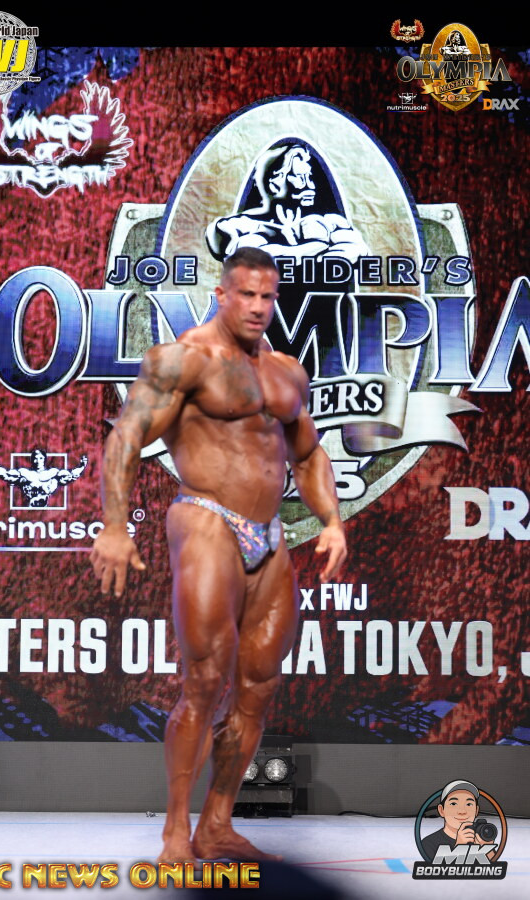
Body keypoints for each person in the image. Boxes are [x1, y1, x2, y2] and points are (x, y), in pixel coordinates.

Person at [91, 247, 347, 863]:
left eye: (268, 297)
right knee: (205, 682)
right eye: (247, 295)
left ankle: (216, 824)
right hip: (207, 518)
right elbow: (127, 434)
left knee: (258, 687)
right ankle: (175, 832)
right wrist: (115, 526)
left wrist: (332, 520)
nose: (258, 307)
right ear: (222, 294)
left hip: (269, 533)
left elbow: (308, 454)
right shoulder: (185, 359)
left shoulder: (286, 372)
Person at [206, 143, 368, 265]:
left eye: (309, 178)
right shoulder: (236, 227)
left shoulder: (329, 224)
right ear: (274, 184)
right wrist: (318, 247)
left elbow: (360, 254)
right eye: (300, 178)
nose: (310, 186)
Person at [421, 781, 496, 861]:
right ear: (441, 810)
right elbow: (435, 868)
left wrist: (488, 849)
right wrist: (459, 847)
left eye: (469, 804)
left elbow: (497, 866)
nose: (462, 811)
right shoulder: (428, 843)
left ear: (476, 811)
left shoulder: (481, 837)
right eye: (453, 804)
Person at [0, 447, 87, 508]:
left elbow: (71, 475)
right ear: (32, 460)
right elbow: (6, 474)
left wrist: (82, 466)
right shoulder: (25, 473)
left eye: (40, 458)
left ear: (44, 459)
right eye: (35, 458)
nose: (38, 461)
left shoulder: (52, 473)